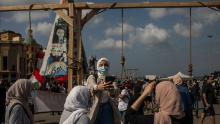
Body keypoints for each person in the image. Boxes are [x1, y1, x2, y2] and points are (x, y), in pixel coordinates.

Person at [87, 57, 121, 124]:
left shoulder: (111, 79)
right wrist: (97, 87)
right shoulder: (93, 77)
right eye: (101, 65)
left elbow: (116, 91)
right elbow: (91, 86)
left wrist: (112, 91)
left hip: (107, 107)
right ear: (97, 66)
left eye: (106, 65)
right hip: (94, 106)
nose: (103, 67)